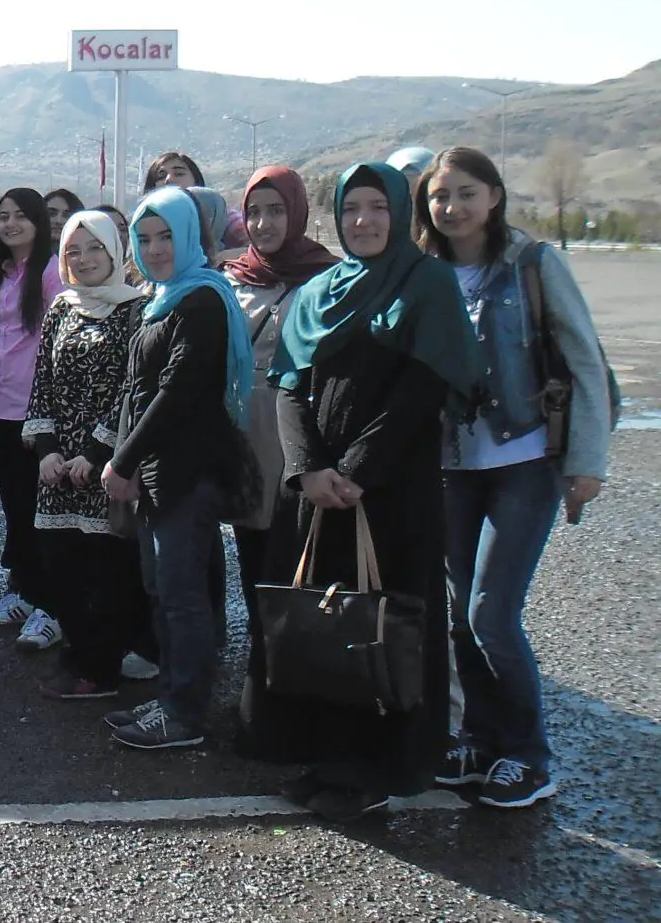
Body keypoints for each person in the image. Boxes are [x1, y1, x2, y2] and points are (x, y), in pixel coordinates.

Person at [264, 162, 477, 820]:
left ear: (399, 212)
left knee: (385, 625)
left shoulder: (427, 282)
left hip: (388, 493)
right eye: (351, 207)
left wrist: (355, 469)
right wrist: (307, 469)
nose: (363, 220)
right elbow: (288, 384)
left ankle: (383, 766)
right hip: (318, 490)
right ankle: (326, 758)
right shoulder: (319, 289)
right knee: (324, 623)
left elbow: (423, 388)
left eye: (377, 207)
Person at [418, 147, 609, 809]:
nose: (453, 207)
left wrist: (587, 460)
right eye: (441, 196)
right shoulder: (426, 274)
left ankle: (530, 755)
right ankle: (477, 739)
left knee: (491, 614)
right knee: (459, 617)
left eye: (466, 193)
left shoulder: (531, 264)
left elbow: (584, 359)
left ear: (494, 197)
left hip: (523, 462)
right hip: (451, 468)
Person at [101, 186, 252, 752]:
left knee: (183, 592)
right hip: (155, 472)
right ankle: (171, 696)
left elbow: (177, 391)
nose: (155, 248)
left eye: (166, 236)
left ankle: (185, 712)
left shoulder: (203, 300)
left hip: (189, 470)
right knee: (160, 588)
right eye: (143, 238)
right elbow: (134, 390)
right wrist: (127, 462)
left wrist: (123, 459)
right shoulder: (160, 298)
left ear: (191, 237)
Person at [221, 166, 338, 738]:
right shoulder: (235, 278)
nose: (264, 224)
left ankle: (294, 701)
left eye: (276, 210)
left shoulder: (327, 278)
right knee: (253, 571)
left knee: (298, 574)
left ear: (298, 213)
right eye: (255, 212)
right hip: (246, 448)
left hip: (300, 446)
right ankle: (262, 690)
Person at [24, 211, 147, 698]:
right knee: (62, 564)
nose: (84, 258)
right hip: (58, 469)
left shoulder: (135, 310)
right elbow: (43, 383)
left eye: (95, 247)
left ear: (115, 251)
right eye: (74, 250)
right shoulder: (61, 307)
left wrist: (95, 453)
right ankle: (77, 655)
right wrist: (48, 451)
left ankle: (100, 668)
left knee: (106, 570)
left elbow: (131, 390)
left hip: (106, 465)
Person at [0, 188, 64, 645]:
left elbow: (56, 346)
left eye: (20, 217)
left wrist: (49, 412)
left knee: (37, 510)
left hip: (31, 411)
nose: (9, 224)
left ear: (37, 222)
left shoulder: (50, 273)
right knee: (15, 507)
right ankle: (25, 591)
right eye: (3, 217)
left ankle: (51, 605)